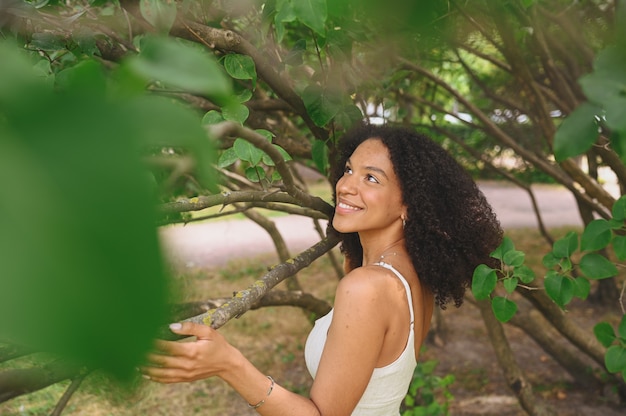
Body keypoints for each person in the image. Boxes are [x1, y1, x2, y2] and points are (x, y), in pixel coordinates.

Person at [142, 124, 502, 415]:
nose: (345, 186)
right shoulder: (410, 275)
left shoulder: (367, 287)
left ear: (409, 204)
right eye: (349, 170)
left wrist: (228, 364)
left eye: (371, 179)